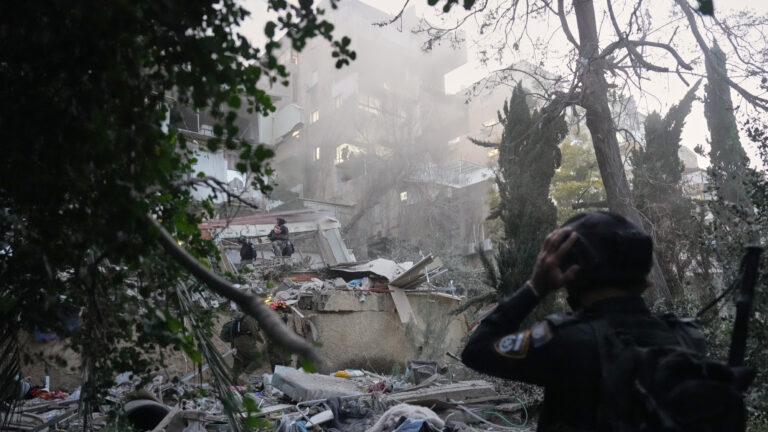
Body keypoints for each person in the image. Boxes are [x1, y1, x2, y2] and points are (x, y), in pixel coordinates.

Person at [461, 211, 707, 432]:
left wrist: (535, 287)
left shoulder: (566, 341)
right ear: (645, 280)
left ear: (571, 275)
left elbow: (476, 351)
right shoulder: (687, 338)